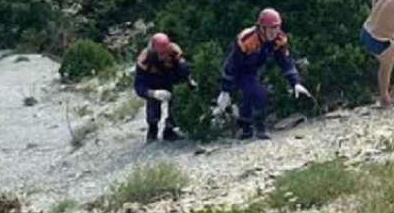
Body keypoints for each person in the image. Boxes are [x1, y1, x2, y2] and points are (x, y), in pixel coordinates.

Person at [215, 8, 311, 140]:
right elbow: (232, 63)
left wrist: (295, 82)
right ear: (261, 27)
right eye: (270, 28)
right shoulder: (246, 39)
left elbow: (284, 61)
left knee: (250, 94)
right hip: (239, 69)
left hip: (253, 69)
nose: (273, 32)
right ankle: (259, 127)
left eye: (276, 27)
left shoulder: (279, 38)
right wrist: (225, 89)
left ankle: (246, 128)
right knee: (259, 93)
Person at [133, 32, 192, 142]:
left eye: (166, 52)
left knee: (178, 99)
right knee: (153, 105)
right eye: (161, 53)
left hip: (171, 80)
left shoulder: (175, 53)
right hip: (153, 83)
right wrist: (153, 93)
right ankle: (152, 129)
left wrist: (186, 84)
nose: (165, 55)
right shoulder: (144, 61)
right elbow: (139, 86)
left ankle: (170, 129)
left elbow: (183, 72)